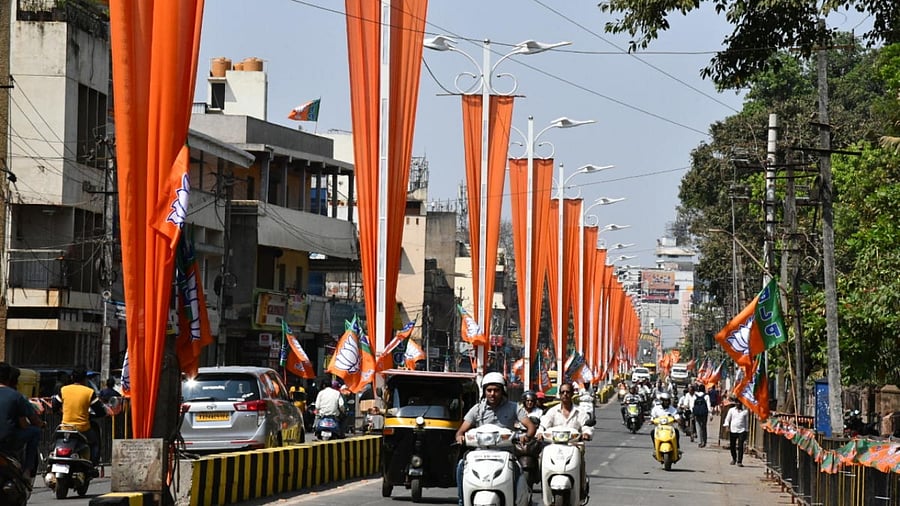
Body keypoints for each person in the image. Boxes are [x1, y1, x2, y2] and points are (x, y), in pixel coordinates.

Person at [454, 372, 536, 506]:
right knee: (461, 466)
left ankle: (519, 501)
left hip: (505, 453)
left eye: (496, 390)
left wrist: (526, 437)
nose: (492, 394)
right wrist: (460, 437)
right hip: (479, 453)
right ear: (484, 391)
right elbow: (461, 431)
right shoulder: (477, 409)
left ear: (502, 391)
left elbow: (531, 427)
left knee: (517, 470)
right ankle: (463, 501)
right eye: (489, 390)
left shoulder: (514, 407)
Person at [538, 381, 592, 497]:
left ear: (572, 394)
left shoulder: (580, 412)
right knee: (541, 458)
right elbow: (544, 425)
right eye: (563, 392)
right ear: (559, 394)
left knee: (580, 462)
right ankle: (545, 487)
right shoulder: (552, 411)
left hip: (574, 447)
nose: (565, 395)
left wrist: (586, 433)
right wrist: (539, 433)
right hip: (554, 448)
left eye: (568, 392)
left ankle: (581, 487)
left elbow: (586, 426)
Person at [53, 364, 107, 473]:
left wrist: (61, 412)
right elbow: (100, 411)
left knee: (54, 441)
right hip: (83, 429)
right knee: (94, 442)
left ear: (72, 378)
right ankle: (93, 464)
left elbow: (55, 406)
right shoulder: (89, 392)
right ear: (85, 379)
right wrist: (93, 415)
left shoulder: (64, 390)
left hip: (65, 427)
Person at [0, 362, 43, 480]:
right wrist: (41, 424)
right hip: (8, 440)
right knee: (35, 432)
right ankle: (28, 469)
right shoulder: (16, 396)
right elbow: (30, 421)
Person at [723, 397, 749, 466]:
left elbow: (746, 422)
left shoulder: (745, 412)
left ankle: (739, 461)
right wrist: (726, 426)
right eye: (737, 403)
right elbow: (727, 419)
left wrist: (746, 430)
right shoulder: (731, 410)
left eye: (739, 403)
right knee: (732, 446)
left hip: (742, 430)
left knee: (740, 446)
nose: (738, 404)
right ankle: (734, 458)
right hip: (733, 430)